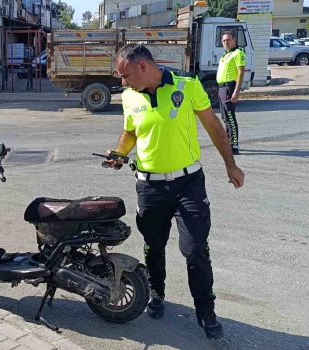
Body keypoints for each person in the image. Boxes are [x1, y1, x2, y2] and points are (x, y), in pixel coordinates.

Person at [104, 44, 244, 339]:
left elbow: (214, 127)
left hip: (188, 184)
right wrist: (119, 153)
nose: (123, 83)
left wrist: (230, 165)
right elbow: (130, 132)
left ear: (143, 66)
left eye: (126, 75)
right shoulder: (130, 97)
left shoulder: (187, 87)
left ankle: (206, 312)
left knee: (195, 250)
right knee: (153, 246)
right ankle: (156, 293)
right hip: (149, 186)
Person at [216, 31, 246, 155]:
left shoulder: (238, 53)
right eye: (224, 41)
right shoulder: (225, 55)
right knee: (224, 117)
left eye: (228, 40)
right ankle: (228, 142)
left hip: (229, 87)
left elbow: (241, 72)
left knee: (230, 117)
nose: (226, 42)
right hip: (221, 88)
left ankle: (234, 145)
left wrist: (236, 92)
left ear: (234, 40)